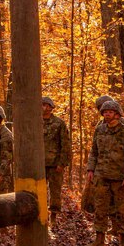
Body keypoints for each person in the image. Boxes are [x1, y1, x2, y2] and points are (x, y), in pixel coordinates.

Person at [87, 99, 124, 246]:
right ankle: (99, 240)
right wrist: (90, 169)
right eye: (105, 112)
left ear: (117, 114)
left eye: (110, 112)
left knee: (122, 210)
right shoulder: (100, 130)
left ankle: (123, 241)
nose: (107, 114)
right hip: (101, 176)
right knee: (100, 208)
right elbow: (94, 152)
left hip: (120, 178)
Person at [42, 96, 72, 226]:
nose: (42, 107)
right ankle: (41, 214)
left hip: (55, 164)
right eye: (41, 105)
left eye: (45, 105)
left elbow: (65, 144)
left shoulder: (59, 123)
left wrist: (62, 163)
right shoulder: (34, 122)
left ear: (50, 107)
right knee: (39, 191)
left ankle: (53, 217)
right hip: (38, 164)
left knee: (55, 191)